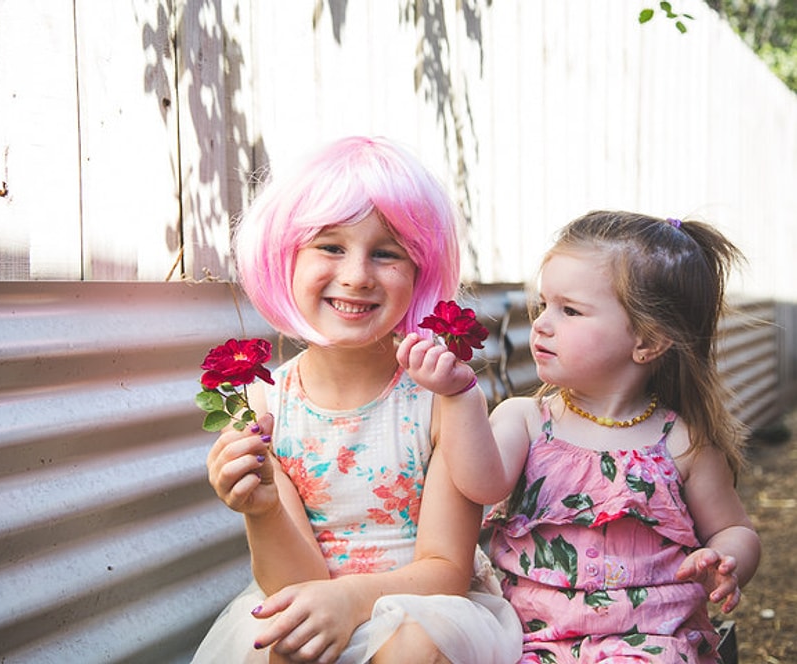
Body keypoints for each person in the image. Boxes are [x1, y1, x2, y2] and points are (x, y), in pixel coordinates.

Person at [192, 136, 523, 664]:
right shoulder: (264, 403)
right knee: (282, 644)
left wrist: (350, 599)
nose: (356, 275)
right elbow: (294, 584)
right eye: (330, 246)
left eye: (386, 253)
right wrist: (262, 508)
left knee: (417, 649)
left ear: (419, 273)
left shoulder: (438, 398)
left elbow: (445, 568)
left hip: (425, 608)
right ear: (286, 258)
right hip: (315, 599)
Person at [398, 210, 761, 662]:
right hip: (533, 638)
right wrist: (459, 396)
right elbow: (480, 483)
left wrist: (726, 562)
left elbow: (732, 528)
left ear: (647, 341)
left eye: (569, 310)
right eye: (544, 304)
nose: (542, 324)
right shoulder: (527, 420)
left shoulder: (681, 442)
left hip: (648, 640)